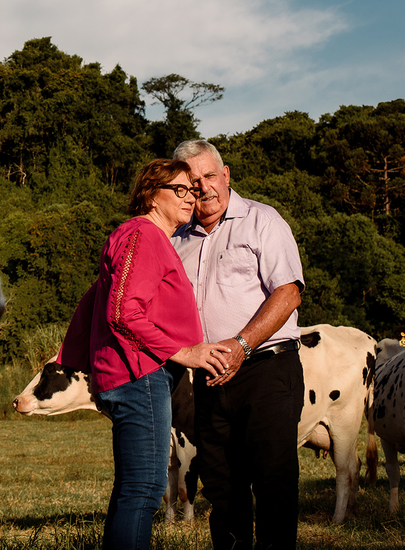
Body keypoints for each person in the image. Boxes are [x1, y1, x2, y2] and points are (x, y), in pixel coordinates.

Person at [59, 158, 231, 550]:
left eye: (193, 189)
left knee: (134, 488)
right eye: (180, 190)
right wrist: (183, 351)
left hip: (131, 375)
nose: (192, 197)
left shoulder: (138, 236)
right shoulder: (145, 235)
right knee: (145, 490)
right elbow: (122, 311)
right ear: (153, 195)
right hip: (140, 377)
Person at [171, 139, 304, 550]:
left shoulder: (262, 220)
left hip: (265, 368)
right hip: (209, 378)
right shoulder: (178, 239)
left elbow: (288, 292)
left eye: (210, 175)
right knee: (222, 488)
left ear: (225, 175)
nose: (203, 187)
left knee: (273, 483)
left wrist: (241, 345)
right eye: (192, 181)